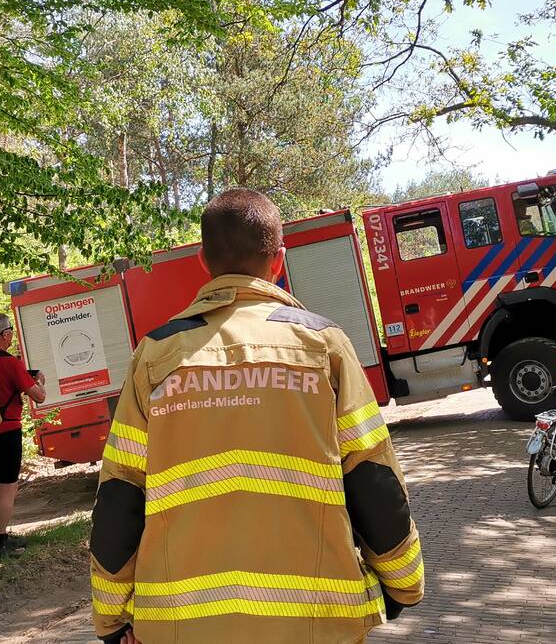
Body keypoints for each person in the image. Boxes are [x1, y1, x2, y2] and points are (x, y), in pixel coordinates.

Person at [90, 189, 424, 644]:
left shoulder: (155, 357)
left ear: (203, 261)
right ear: (279, 260)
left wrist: (112, 618)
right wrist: (403, 583)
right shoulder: (323, 346)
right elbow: (372, 476)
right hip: (318, 623)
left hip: (182, 628)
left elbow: (120, 496)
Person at [0, 312, 46, 557]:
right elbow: (39, 396)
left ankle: (0, 536)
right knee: (7, 489)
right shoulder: (9, 363)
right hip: (6, 432)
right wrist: (40, 381)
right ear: (5, 334)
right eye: (11, 332)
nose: (12, 336)